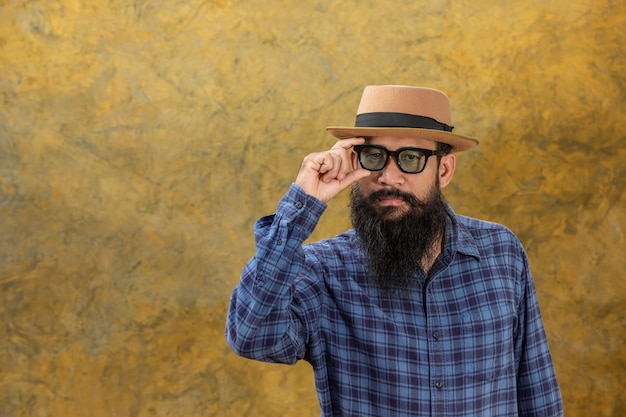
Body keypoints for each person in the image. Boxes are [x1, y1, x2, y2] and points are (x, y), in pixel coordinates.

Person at [225, 85, 563, 416]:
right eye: (374, 157)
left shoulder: (501, 252)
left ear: (443, 170)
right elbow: (252, 337)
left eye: (411, 158)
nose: (389, 177)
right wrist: (301, 206)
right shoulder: (323, 270)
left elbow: (536, 390)